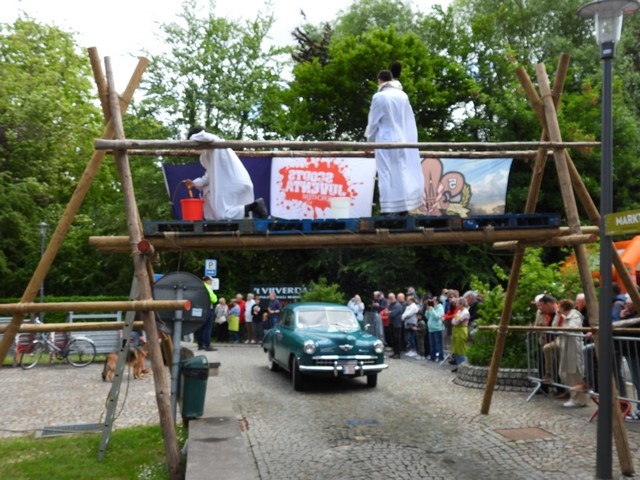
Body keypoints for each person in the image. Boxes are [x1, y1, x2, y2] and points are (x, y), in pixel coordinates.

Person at [364, 65, 425, 216]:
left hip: (385, 140)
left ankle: (388, 210)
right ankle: (403, 209)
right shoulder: (403, 95)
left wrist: (369, 142)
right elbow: (409, 120)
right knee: (401, 173)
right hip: (403, 140)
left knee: (386, 174)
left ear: (380, 81)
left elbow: (373, 122)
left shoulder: (379, 97)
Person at [184, 126, 268, 220]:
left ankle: (254, 206)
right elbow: (208, 177)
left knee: (222, 215)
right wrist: (194, 183)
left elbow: (204, 136)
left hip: (231, 185)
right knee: (240, 218)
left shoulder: (214, 141)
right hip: (239, 182)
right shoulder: (211, 151)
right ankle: (254, 207)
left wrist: (191, 140)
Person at [556, 299, 587, 408]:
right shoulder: (563, 316)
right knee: (565, 373)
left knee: (575, 372)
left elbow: (572, 328)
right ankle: (573, 396)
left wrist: (563, 325)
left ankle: (579, 399)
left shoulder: (575, 315)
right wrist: (558, 317)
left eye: (559, 306)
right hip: (566, 347)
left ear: (563, 307)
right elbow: (555, 326)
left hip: (573, 347)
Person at [196, 275, 218, 351]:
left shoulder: (198, 287)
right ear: (207, 281)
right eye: (210, 280)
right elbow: (214, 299)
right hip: (208, 309)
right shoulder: (207, 287)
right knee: (207, 328)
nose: (211, 282)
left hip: (199, 309)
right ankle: (207, 345)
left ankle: (200, 345)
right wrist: (215, 297)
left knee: (200, 327)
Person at [450, 297, 470, 372]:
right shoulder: (459, 311)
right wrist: (455, 320)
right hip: (456, 331)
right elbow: (453, 321)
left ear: (462, 304)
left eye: (457, 303)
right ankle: (459, 365)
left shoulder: (465, 312)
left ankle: (463, 366)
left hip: (461, 331)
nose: (456, 305)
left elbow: (456, 322)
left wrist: (456, 320)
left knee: (461, 348)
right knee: (456, 349)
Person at [426, 296, 445, 362]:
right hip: (431, 329)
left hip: (437, 328)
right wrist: (427, 310)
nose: (432, 301)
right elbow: (427, 317)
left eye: (433, 300)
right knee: (432, 344)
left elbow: (437, 317)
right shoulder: (432, 308)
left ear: (437, 301)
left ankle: (440, 357)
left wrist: (432, 310)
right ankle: (432, 357)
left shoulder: (440, 308)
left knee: (438, 344)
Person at [387, 293, 404, 359]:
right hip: (392, 323)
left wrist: (389, 312)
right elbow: (387, 312)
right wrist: (389, 312)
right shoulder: (391, 305)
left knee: (397, 339)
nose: (389, 299)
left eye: (390, 298)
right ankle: (395, 352)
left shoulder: (398, 305)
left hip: (397, 324)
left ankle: (398, 353)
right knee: (393, 339)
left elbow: (392, 314)